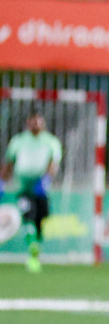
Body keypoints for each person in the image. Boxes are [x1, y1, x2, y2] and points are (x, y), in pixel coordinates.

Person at [2, 110, 63, 273]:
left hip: (40, 189)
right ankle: (32, 250)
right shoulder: (18, 141)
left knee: (41, 218)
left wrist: (45, 180)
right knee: (28, 215)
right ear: (28, 122)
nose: (35, 123)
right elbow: (9, 164)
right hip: (23, 187)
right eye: (32, 120)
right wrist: (2, 182)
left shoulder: (51, 142)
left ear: (43, 122)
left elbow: (53, 163)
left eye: (38, 120)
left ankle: (35, 250)